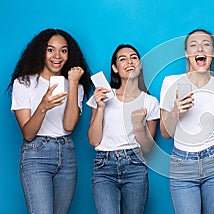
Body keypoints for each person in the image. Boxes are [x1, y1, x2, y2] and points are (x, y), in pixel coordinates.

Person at [8, 28, 92, 213]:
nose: (57, 56)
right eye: (50, 49)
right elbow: (28, 134)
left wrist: (72, 83)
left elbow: (69, 126)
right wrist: (43, 106)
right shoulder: (24, 83)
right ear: (41, 52)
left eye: (63, 50)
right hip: (35, 154)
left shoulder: (75, 85)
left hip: (67, 154)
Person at [159, 29, 214, 214]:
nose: (200, 48)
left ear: (213, 53)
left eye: (206, 44)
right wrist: (175, 112)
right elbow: (165, 134)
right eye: (193, 45)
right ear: (187, 53)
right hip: (182, 163)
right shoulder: (171, 82)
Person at [87, 44, 159, 214]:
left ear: (139, 65)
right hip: (104, 166)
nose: (129, 62)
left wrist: (138, 126)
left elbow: (148, 148)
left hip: (135, 165)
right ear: (115, 68)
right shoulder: (101, 97)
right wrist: (100, 108)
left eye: (134, 57)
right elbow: (93, 140)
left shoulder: (150, 102)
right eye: (122, 59)